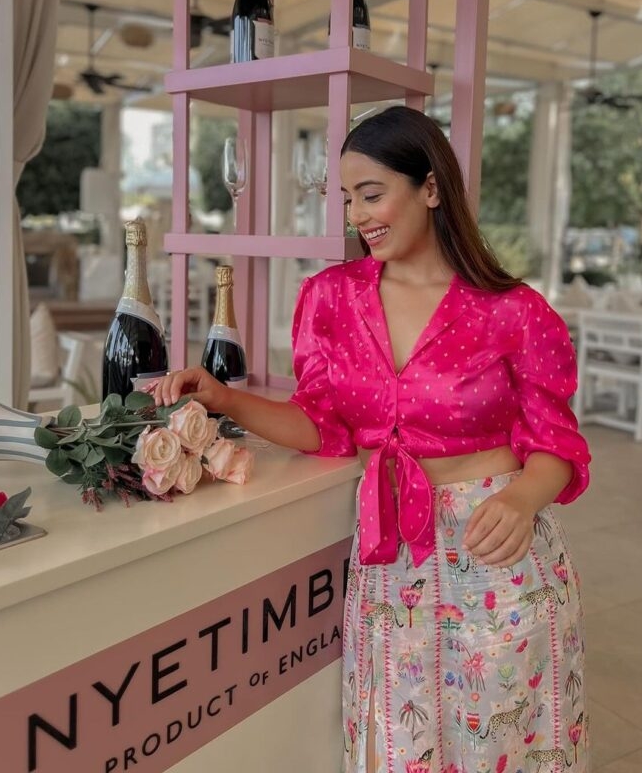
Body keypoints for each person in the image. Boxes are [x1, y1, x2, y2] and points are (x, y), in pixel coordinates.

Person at [154, 106, 591, 773]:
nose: (357, 215)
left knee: (502, 744)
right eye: (346, 198)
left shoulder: (513, 310)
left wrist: (522, 500)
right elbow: (320, 424)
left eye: (371, 193)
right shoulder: (330, 298)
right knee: (398, 740)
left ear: (430, 188)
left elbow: (557, 443)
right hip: (392, 557)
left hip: (494, 548)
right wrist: (224, 400)